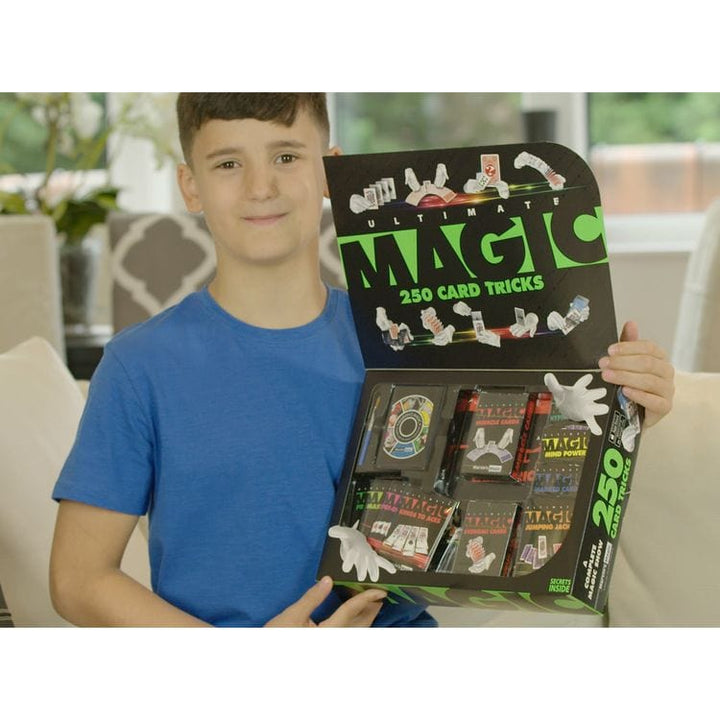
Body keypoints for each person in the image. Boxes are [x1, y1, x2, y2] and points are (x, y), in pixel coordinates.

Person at [49, 93, 675, 628]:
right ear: (191, 186)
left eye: (286, 157)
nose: (261, 187)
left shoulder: (415, 339)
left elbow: (512, 470)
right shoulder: (140, 366)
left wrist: (624, 409)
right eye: (228, 163)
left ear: (331, 172)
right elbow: (78, 579)